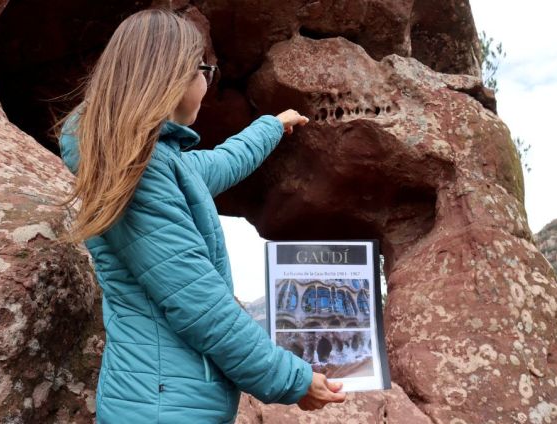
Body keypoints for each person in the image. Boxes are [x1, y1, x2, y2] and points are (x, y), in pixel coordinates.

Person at [56, 8, 345, 423]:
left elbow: (222, 162)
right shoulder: (137, 172)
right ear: (170, 75)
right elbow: (201, 304)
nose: (207, 81)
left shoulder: (158, 163)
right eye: (203, 69)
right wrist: (292, 379)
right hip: (162, 409)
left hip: (166, 399)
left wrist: (272, 126)